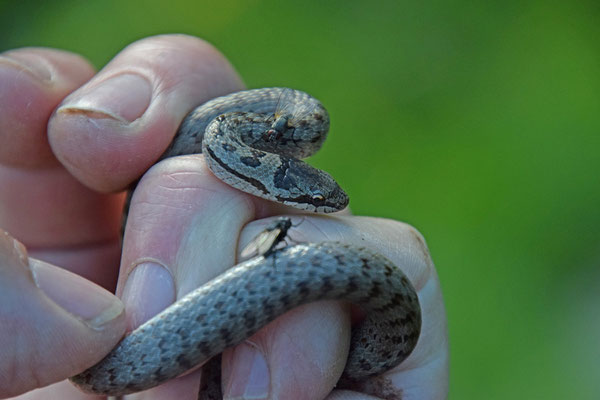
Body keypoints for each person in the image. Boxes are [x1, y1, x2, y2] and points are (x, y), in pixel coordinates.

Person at [0, 34, 448, 400]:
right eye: (313, 201)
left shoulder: (244, 135)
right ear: (274, 184)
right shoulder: (222, 136)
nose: (321, 206)